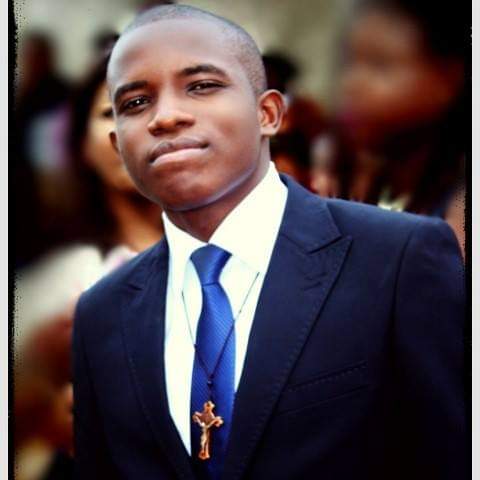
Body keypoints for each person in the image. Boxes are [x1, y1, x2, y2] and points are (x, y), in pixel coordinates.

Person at [73, 5, 465, 480]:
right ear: (118, 145)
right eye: (136, 102)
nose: (167, 116)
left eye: (201, 86)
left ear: (269, 113)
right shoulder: (101, 313)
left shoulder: (395, 259)